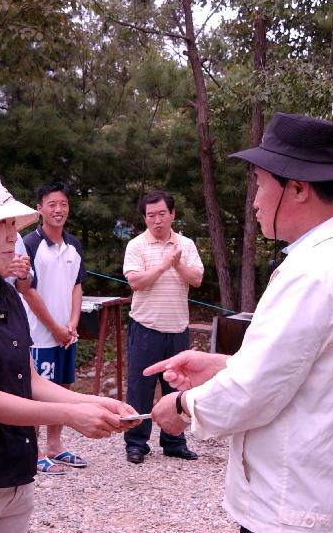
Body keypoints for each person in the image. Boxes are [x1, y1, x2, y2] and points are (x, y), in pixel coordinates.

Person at [147, 113, 333, 533]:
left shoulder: (314, 271)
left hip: (295, 509)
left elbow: (255, 389)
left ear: (297, 189)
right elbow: (313, 369)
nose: (256, 201)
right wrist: (223, 366)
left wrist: (182, 407)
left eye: (261, 184)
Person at [0, 172, 138, 533]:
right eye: (1, 224)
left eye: (12, 224)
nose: (12, 236)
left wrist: (92, 403)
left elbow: (28, 380)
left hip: (15, 477)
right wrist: (71, 415)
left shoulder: (5, 295)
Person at [122, 190, 203, 464]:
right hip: (145, 327)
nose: (157, 220)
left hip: (177, 328)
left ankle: (174, 441)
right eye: (150, 215)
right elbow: (135, 282)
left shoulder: (186, 245)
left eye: (162, 214)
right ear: (145, 218)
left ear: (172, 214)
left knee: (177, 389)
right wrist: (164, 265)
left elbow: (197, 279)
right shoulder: (136, 245)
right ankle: (136, 443)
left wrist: (177, 264)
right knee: (139, 387)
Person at [17, 182, 87, 474]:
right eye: (52, 204)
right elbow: (26, 290)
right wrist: (55, 328)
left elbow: (77, 286)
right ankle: (31, 452)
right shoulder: (29, 244)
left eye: (63, 204)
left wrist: (71, 324)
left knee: (62, 388)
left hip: (65, 335)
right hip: (38, 335)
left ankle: (54, 446)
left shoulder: (74, 244)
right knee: (37, 392)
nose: (58, 210)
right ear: (39, 209)